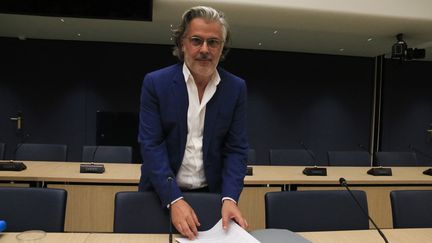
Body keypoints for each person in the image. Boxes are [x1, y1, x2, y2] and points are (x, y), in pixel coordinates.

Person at [138, 6, 248, 240]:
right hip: (160, 196)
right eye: (196, 40)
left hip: (213, 198)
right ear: (182, 43)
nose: (205, 50)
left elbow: (236, 149)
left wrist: (230, 197)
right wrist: (173, 199)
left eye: (214, 42)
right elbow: (151, 145)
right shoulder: (155, 83)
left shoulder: (236, 88)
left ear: (222, 48)